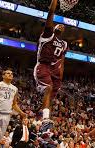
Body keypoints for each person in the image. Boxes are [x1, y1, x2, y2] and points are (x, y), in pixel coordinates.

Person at [33, 0, 68, 133]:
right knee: (48, 88)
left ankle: (41, 122)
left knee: (51, 97)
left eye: (63, 26)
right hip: (43, 66)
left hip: (55, 71)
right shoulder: (48, 35)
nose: (61, 26)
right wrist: (55, 1)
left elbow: (62, 61)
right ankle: (45, 121)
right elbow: (50, 13)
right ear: (53, 27)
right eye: (59, 25)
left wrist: (61, 75)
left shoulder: (64, 44)